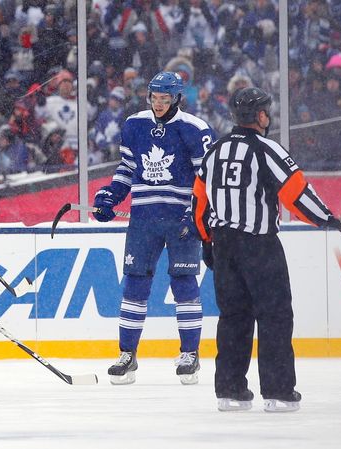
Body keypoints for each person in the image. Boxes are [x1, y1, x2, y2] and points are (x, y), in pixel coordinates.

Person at [192, 87, 341, 412]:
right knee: (274, 315)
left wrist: (207, 239)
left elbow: (199, 202)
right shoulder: (267, 150)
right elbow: (296, 193)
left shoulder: (215, 151)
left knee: (233, 316)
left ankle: (230, 391)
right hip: (259, 245)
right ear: (261, 116)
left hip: (225, 246)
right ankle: (277, 392)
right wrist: (326, 218)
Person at [92, 71, 214, 386]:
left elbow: (206, 179)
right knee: (134, 285)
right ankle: (127, 355)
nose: (159, 104)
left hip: (181, 221)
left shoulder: (195, 129)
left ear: (177, 99)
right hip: (144, 220)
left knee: (184, 283)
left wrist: (196, 213)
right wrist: (110, 195)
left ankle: (190, 354)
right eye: (155, 98)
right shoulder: (134, 125)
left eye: (165, 99)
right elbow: (127, 168)